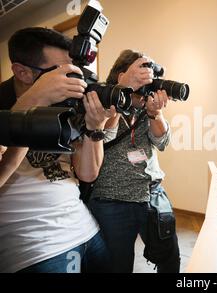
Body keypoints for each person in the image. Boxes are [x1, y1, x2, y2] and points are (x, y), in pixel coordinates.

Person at [0, 27, 115, 273]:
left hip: (85, 228)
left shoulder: (64, 105)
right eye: (57, 73)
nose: (68, 80)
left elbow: (87, 174)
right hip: (35, 247)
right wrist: (34, 102)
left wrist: (96, 127)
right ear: (22, 72)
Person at [87, 49, 180, 273]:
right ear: (121, 75)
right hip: (113, 200)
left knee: (170, 258)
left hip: (152, 193)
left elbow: (161, 142)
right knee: (117, 266)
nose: (144, 89)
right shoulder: (101, 98)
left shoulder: (146, 104)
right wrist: (121, 95)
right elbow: (104, 136)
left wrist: (155, 113)